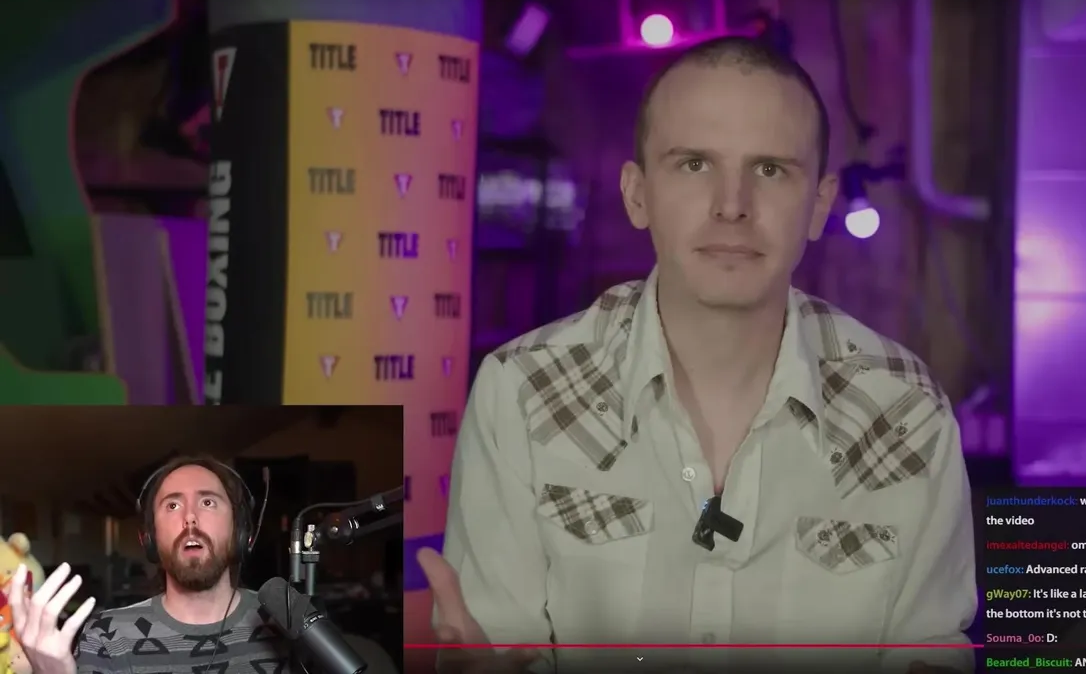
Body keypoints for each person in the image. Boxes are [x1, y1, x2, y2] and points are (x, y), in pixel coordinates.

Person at [420, 35, 977, 674]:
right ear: (637, 194)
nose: (732, 206)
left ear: (819, 206)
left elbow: (929, 653)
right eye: (693, 165)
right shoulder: (524, 391)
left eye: (770, 170)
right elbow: (503, 651)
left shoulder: (904, 410)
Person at [6, 455, 293, 674]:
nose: (190, 518)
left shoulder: (288, 621)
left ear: (240, 532)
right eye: (172, 505)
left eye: (208, 502)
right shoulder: (107, 635)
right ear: (150, 539)